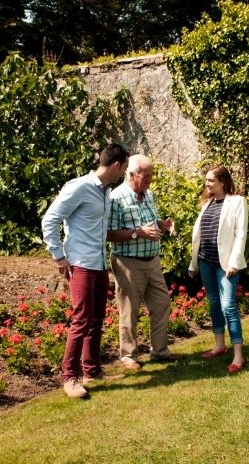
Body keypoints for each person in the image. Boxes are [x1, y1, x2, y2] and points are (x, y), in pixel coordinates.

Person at [42, 143, 129, 399]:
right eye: (124, 167)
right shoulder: (79, 187)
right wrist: (59, 257)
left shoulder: (105, 191)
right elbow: (50, 219)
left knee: (96, 319)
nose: (123, 172)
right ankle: (70, 378)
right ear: (116, 165)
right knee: (81, 321)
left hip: (98, 263)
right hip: (80, 263)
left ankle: (92, 370)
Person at [107, 154, 176, 370]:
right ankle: (128, 355)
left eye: (151, 175)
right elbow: (108, 233)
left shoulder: (149, 195)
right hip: (128, 263)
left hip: (152, 261)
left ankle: (159, 351)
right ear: (130, 174)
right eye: (145, 176)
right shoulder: (116, 198)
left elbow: (147, 222)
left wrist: (161, 224)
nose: (149, 180)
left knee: (161, 305)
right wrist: (139, 233)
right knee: (130, 310)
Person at [188, 165, 248, 373]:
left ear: (222, 181)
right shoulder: (207, 203)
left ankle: (238, 356)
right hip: (206, 261)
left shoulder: (237, 202)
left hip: (226, 265)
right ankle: (220, 345)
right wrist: (194, 263)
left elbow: (241, 234)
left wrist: (234, 262)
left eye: (211, 180)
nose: (207, 184)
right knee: (214, 302)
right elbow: (199, 236)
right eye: (206, 180)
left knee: (228, 306)